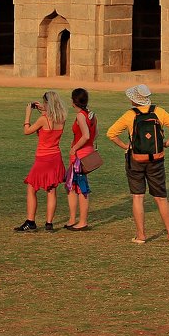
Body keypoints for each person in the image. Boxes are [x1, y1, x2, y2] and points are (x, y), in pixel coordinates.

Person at [106, 84, 169, 244]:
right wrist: (167, 143)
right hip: (156, 159)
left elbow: (111, 133)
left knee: (138, 197)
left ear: (134, 99)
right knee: (161, 198)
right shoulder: (159, 111)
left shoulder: (129, 115)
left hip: (136, 160)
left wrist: (126, 147)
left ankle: (141, 235)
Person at [15, 91, 67, 232]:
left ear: (46, 103)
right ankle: (49, 223)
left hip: (43, 158)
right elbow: (52, 118)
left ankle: (30, 221)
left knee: (31, 188)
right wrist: (43, 109)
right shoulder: (62, 118)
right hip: (56, 157)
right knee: (51, 190)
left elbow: (27, 131)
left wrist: (28, 114)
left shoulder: (43, 119)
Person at [63, 87, 97, 231]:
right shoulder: (92, 115)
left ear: (73, 101)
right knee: (72, 186)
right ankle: (72, 219)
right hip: (87, 153)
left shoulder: (81, 116)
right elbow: (95, 134)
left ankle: (82, 221)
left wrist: (75, 148)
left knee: (81, 186)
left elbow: (86, 135)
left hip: (79, 156)